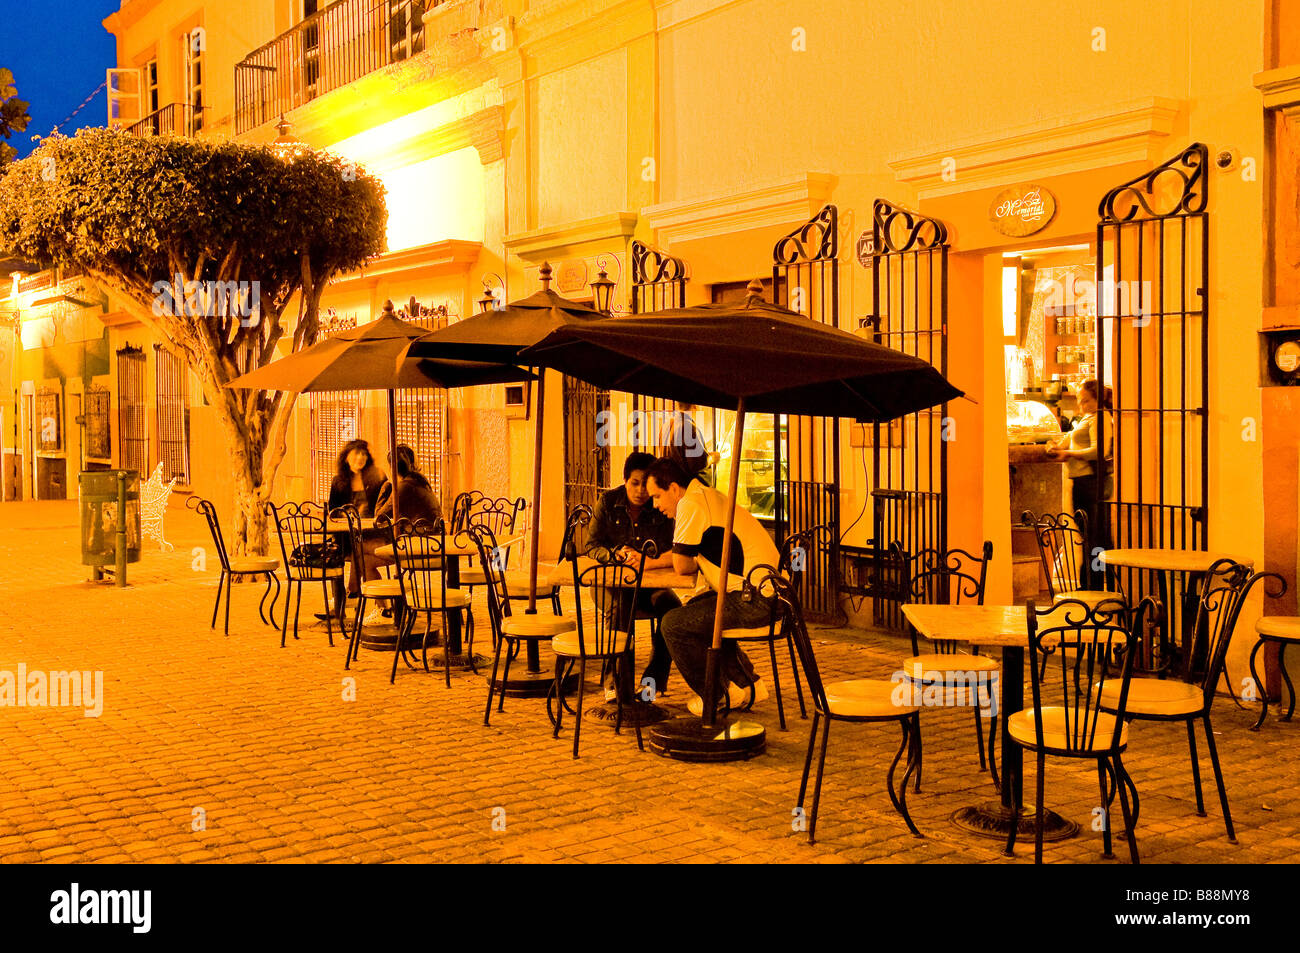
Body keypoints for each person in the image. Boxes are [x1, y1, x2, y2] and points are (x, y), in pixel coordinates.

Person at [646, 457, 774, 716]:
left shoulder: (690, 504)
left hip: (756, 599)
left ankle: (716, 695)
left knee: (673, 625)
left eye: (657, 496)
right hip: (770, 593)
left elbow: (683, 565)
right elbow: (687, 557)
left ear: (673, 488)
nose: (655, 505)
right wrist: (652, 562)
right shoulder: (703, 495)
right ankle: (749, 684)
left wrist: (648, 563)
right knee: (696, 610)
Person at [589, 451, 680, 700]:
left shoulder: (660, 506)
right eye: (634, 483)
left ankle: (653, 683)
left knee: (673, 609)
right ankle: (615, 683)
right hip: (609, 585)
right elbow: (591, 545)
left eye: (644, 484)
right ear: (625, 480)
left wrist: (645, 558)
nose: (640, 491)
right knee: (621, 608)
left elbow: (669, 547)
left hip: (649, 584)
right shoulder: (608, 502)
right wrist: (614, 554)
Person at [1045, 379, 1114, 587]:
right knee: (1090, 536)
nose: (1080, 405)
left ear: (1097, 400)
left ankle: (1096, 583)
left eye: (1085, 401)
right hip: (1082, 483)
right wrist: (1055, 446)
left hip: (1092, 483)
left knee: (1095, 537)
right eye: (1079, 400)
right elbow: (1070, 439)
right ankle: (1093, 582)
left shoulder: (1100, 418)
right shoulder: (1087, 418)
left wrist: (1068, 453)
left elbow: (1099, 450)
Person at [325, 440, 388, 614]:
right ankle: (354, 596)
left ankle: (351, 594)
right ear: (346, 457)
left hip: (374, 534)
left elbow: (386, 507)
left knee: (358, 549)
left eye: (364, 454)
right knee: (349, 550)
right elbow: (332, 511)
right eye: (356, 453)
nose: (360, 458)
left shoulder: (377, 477)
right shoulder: (338, 481)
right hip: (346, 536)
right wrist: (345, 515)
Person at [657, 402, 718, 486]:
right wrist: (713, 458)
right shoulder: (688, 426)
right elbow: (697, 464)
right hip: (687, 489)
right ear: (695, 406)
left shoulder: (666, 425)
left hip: (671, 486)